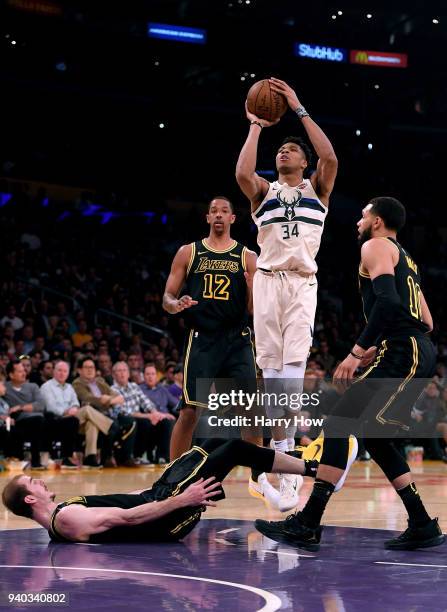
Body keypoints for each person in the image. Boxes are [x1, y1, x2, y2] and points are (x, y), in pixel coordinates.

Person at [255, 197, 446, 551]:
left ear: (376, 221)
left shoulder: (375, 246)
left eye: (363, 215)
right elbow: (429, 322)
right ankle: (421, 522)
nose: (358, 221)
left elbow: (388, 302)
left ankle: (309, 522)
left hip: (403, 349)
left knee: (339, 422)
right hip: (416, 348)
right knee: (375, 437)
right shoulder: (406, 258)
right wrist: (387, 341)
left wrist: (357, 352)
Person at [236, 77, 341, 510]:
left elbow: (330, 155)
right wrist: (257, 126)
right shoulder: (265, 190)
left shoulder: (317, 189)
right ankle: (283, 461)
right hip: (267, 280)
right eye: (282, 150)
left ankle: (286, 464)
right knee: (271, 375)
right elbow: (243, 172)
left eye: (292, 150)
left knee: (292, 375)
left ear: (303, 161)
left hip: (301, 283)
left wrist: (297, 106)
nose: (285, 152)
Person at [1, 438, 352, 543]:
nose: (40, 480)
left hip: (159, 500)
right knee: (232, 449)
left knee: (211, 443)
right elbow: (126, 517)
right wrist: (183, 499)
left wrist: (162, 485)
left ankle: (286, 480)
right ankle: (317, 469)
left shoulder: (63, 515)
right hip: (167, 516)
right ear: (30, 499)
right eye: (33, 482)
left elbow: (124, 503)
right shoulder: (67, 519)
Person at [163, 197, 268, 500]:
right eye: (214, 211)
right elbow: (167, 298)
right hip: (203, 338)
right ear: (208, 217)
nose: (219, 216)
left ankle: (259, 476)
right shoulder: (189, 252)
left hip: (237, 338)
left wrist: (250, 288)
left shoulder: (248, 256)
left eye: (225, 212)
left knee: (250, 411)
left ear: (233, 218)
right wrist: (176, 304)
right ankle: (173, 476)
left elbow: (253, 310)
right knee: (189, 411)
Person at [41, 360, 112, 468]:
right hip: (56, 419)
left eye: (65, 371)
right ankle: (111, 427)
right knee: (87, 409)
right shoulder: (46, 387)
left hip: (73, 418)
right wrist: (67, 411)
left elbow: (75, 403)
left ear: (68, 373)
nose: (62, 373)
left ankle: (90, 457)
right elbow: (51, 407)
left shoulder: (69, 387)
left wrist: (74, 408)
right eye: (59, 370)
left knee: (91, 423)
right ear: (54, 372)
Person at [72, 357, 139, 467]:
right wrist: (109, 400)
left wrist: (108, 399)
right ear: (79, 370)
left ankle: (93, 457)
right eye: (86, 367)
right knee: (89, 411)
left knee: (130, 421)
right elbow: (89, 399)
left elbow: (119, 398)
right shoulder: (77, 383)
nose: (90, 370)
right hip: (89, 415)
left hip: (102, 416)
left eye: (92, 367)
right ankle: (110, 431)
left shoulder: (100, 381)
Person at [111, 361, 172, 464]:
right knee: (144, 422)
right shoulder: (112, 390)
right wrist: (148, 416)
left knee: (165, 421)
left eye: (124, 370)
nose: (122, 373)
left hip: (140, 417)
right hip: (124, 420)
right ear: (114, 374)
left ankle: (162, 457)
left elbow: (146, 402)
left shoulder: (134, 386)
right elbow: (124, 411)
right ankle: (138, 455)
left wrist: (155, 414)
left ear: (128, 373)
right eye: (119, 371)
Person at [4, 360, 46, 469]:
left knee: (39, 420)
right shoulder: (4, 388)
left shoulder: (33, 386)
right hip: (17, 420)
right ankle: (33, 460)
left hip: (36, 418)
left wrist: (21, 407)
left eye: (24, 371)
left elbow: (41, 405)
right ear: (11, 375)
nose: (24, 373)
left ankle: (36, 460)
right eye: (19, 371)